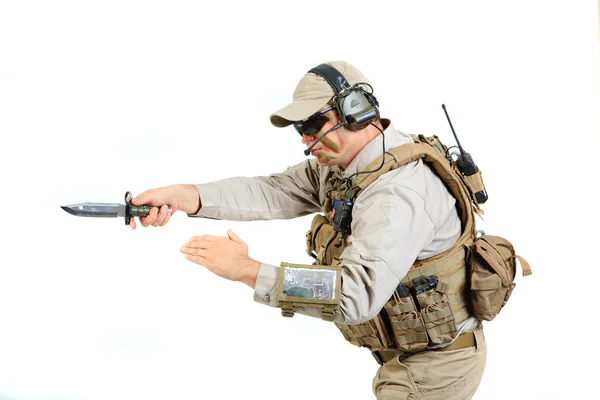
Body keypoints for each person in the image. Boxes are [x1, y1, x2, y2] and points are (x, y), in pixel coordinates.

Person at [129, 61, 487, 399]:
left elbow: (353, 296)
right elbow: (275, 190)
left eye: (314, 124)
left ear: (356, 111)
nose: (306, 139)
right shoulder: (350, 164)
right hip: (403, 355)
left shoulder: (396, 193)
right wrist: (183, 196)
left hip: (435, 367)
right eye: (302, 129)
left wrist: (247, 271)